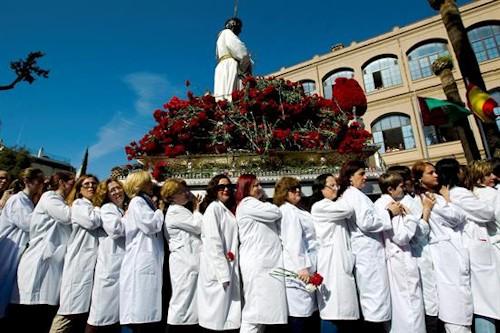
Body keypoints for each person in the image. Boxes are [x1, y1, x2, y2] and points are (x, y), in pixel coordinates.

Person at [437, 159, 499, 333]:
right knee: (485, 302)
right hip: (477, 248)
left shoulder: (447, 194)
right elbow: (487, 213)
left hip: (469, 247)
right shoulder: (461, 193)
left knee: (483, 300)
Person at [413, 161, 472, 333]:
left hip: (450, 252)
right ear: (419, 179)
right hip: (446, 254)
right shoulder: (429, 198)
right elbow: (456, 216)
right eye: (430, 173)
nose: (436, 175)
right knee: (456, 306)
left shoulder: (433, 196)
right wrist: (448, 199)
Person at [337, 161, 396, 332]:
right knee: (375, 301)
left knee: (377, 299)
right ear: (350, 178)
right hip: (368, 254)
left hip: (370, 252)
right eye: (361, 174)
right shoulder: (354, 195)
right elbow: (366, 222)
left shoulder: (355, 194)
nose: (365, 177)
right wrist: (390, 213)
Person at [16, 171, 75, 333]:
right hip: (39, 262)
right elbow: (66, 216)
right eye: (72, 182)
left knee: (43, 315)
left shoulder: (60, 201)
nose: (74, 187)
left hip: (51, 265)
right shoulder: (50, 197)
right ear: (62, 183)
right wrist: (85, 206)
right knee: (32, 314)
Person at [390, 165, 441, 333]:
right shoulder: (403, 203)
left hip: (426, 255)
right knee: (428, 303)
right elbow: (417, 233)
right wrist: (426, 210)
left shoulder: (414, 198)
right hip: (417, 256)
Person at [374, 172, 426, 333]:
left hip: (394, 259)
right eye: (401, 187)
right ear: (390, 189)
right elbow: (401, 237)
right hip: (401, 258)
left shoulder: (378, 203)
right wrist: (411, 218)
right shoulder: (392, 205)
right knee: (411, 303)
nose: (404, 190)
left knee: (400, 304)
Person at [235, 174, 287, 333]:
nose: (259, 189)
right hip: (258, 264)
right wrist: (268, 203)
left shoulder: (255, 204)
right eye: (254, 186)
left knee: (262, 313)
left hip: (264, 263)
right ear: (245, 189)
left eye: (259, 185)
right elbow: (275, 212)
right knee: (254, 312)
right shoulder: (247, 204)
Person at [51, 175, 102, 333]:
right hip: (79, 262)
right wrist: (100, 210)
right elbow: (91, 222)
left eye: (94, 184)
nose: (91, 187)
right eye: (86, 184)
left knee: (81, 315)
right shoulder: (79, 204)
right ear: (79, 189)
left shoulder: (92, 206)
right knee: (68, 312)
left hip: (91, 263)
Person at [309, 174, 359, 333]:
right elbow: (348, 209)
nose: (336, 188)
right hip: (331, 263)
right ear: (321, 189)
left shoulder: (332, 204)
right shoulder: (320, 206)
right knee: (333, 310)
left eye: (336, 184)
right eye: (332, 186)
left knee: (344, 310)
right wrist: (346, 195)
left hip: (341, 260)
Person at [120, 171, 164, 333]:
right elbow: (150, 225)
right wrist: (160, 211)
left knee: (144, 312)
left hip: (147, 259)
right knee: (138, 313)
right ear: (139, 185)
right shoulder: (138, 202)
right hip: (140, 261)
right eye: (147, 183)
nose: (151, 186)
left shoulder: (144, 203)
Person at [274, 177, 319, 333]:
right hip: (298, 270)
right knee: (300, 314)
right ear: (284, 193)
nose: (297, 191)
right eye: (292, 189)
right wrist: (302, 268)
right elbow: (293, 242)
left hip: (306, 266)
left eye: (298, 188)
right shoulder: (287, 211)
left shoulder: (296, 210)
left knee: (306, 312)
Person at [197, 174, 241, 332]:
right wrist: (223, 274)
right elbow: (213, 243)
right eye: (221, 187)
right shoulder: (213, 209)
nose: (226, 189)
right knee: (216, 319)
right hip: (218, 271)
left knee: (224, 317)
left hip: (226, 267)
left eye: (229, 187)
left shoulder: (224, 209)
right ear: (214, 190)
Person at [0, 168, 44, 319]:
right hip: (7, 252)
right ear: (27, 181)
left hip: (15, 254)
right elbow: (30, 224)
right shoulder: (18, 200)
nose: (41, 185)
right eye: (38, 181)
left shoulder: (28, 202)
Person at [86, 178, 128, 333]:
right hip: (109, 267)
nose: (117, 192)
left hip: (119, 267)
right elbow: (116, 230)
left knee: (113, 319)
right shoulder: (107, 208)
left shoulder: (121, 210)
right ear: (106, 195)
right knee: (99, 317)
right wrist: (129, 217)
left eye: (118, 188)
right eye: (112, 190)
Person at [162, 179, 202, 332]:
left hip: (188, 261)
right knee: (182, 302)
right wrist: (197, 210)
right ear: (171, 196)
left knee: (188, 302)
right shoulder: (175, 212)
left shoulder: (181, 210)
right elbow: (198, 226)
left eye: (186, 189)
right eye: (181, 191)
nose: (186, 193)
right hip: (184, 262)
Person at [214, 17, 252, 101]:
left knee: (222, 93)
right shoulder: (227, 33)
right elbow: (240, 51)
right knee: (231, 93)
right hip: (230, 66)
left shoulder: (220, 38)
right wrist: (248, 61)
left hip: (221, 67)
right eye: (239, 27)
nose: (240, 31)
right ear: (233, 25)